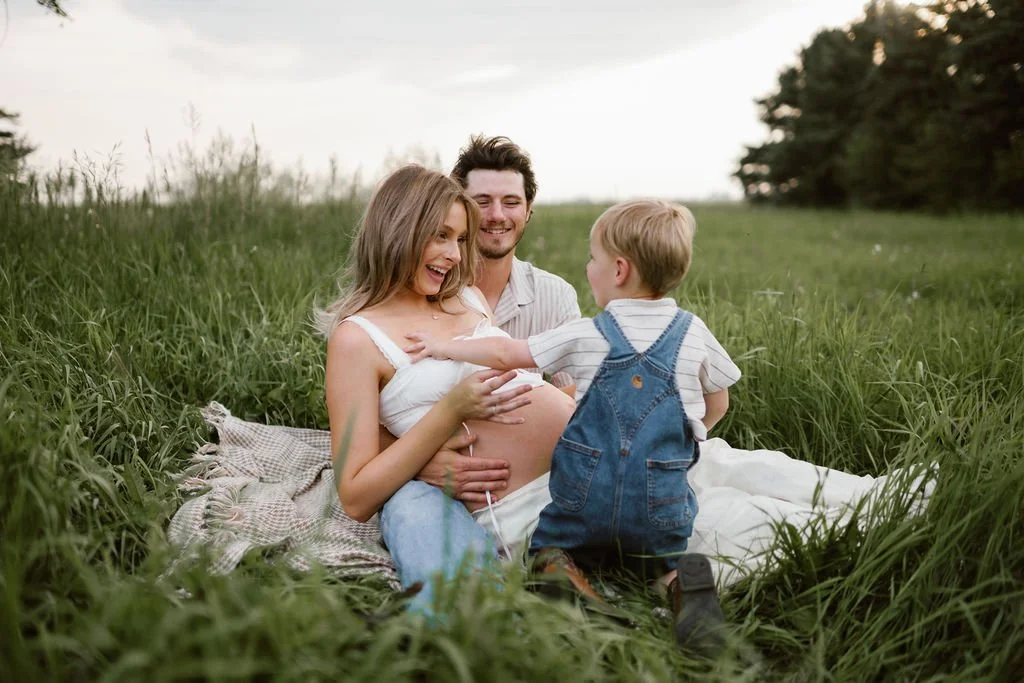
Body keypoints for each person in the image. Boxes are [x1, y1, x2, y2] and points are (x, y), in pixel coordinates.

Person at [406, 199, 741, 651]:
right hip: (660, 502)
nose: (588, 268)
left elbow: (506, 354)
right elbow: (718, 400)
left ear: (619, 270)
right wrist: (688, 441)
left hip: (585, 499)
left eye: (592, 259)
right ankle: (680, 586)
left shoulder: (588, 333)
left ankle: (560, 571)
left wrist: (445, 346)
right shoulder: (693, 332)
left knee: (553, 544)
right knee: (661, 554)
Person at [318, 164, 579, 617]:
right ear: (398, 230)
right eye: (440, 236)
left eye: (459, 239)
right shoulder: (357, 339)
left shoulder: (467, 299)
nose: (456, 254)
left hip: (579, 468)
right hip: (513, 501)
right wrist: (449, 412)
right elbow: (355, 494)